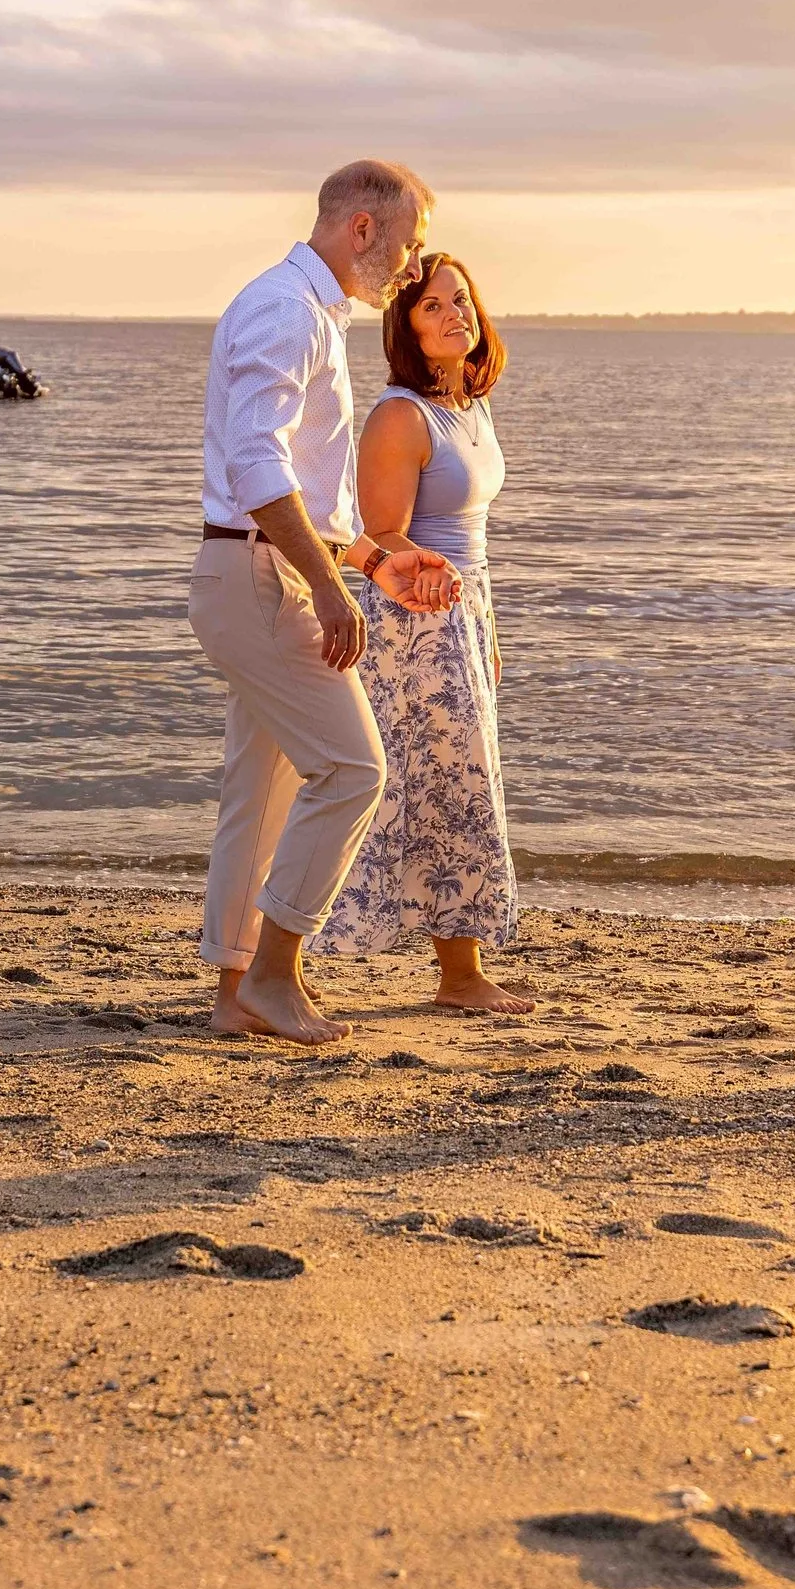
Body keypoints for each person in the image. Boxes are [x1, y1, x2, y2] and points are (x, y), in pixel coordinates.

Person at [187, 160, 464, 1046]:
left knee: (261, 792)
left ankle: (235, 993)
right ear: (362, 229)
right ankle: (273, 974)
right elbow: (256, 467)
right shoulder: (285, 310)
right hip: (260, 575)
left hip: (257, 568)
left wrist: (368, 563)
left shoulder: (305, 311)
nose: (414, 265)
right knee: (353, 771)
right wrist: (330, 585)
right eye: (410, 241)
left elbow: (294, 486)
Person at [312, 254, 530, 1012]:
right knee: (438, 790)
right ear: (404, 325)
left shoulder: (471, 402)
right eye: (431, 306)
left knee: (460, 789)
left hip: (467, 613)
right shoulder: (400, 414)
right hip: (419, 621)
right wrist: (448, 605)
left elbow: (477, 536)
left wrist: (488, 630)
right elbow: (380, 533)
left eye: (460, 301)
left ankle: (459, 973)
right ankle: (457, 977)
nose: (452, 315)